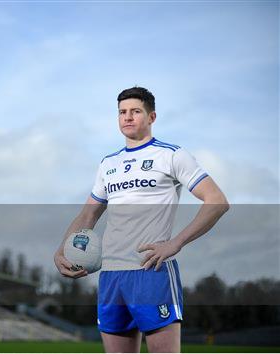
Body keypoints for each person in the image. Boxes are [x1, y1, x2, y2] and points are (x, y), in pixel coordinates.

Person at [54, 87, 229, 353]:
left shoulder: (171, 155)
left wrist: (176, 243)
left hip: (151, 271)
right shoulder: (108, 164)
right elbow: (88, 214)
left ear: (151, 117)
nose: (127, 117)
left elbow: (217, 201)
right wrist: (62, 250)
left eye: (135, 111)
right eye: (122, 112)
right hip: (111, 275)